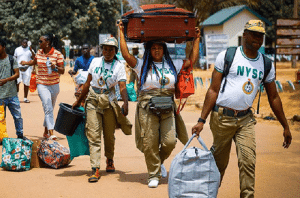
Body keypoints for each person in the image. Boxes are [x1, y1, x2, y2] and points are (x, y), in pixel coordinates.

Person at [191, 20, 292, 198]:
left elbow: (274, 97)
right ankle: (208, 194)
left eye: (261, 35)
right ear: (244, 34)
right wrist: (201, 120)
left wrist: (285, 126)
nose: (258, 39)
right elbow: (213, 90)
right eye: (254, 34)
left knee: (248, 161)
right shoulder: (228, 55)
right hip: (222, 118)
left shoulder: (266, 64)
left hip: (245, 119)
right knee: (219, 164)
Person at [119, 21, 200, 188]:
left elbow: (192, 60)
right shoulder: (141, 65)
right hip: (147, 107)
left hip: (168, 106)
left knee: (170, 141)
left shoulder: (174, 65)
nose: (157, 50)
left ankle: (158, 161)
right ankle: (153, 174)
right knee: (150, 142)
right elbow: (126, 55)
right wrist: (120, 31)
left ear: (164, 50)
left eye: (160, 48)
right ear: (149, 50)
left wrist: (197, 39)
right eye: (153, 48)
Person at [72, 37, 131, 183]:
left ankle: (109, 159)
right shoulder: (95, 61)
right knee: (93, 134)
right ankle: (95, 168)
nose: (107, 52)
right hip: (93, 99)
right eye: (105, 49)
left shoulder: (119, 66)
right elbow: (87, 83)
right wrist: (79, 100)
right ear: (101, 49)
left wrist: (125, 103)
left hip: (109, 102)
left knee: (109, 135)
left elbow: (122, 86)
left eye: (111, 49)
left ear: (115, 51)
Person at [21, 33, 65, 140]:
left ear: (47, 43)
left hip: (54, 85)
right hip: (41, 84)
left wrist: (55, 67)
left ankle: (46, 131)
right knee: (48, 106)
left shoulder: (57, 54)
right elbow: (34, 62)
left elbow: (62, 70)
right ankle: (51, 132)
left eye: (41, 41)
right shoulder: (39, 53)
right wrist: (25, 63)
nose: (39, 43)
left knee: (49, 107)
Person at [0, 39, 26, 139]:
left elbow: (17, 74)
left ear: (3, 47)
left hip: (12, 95)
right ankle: (2, 137)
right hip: (0, 96)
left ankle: (20, 135)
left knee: (18, 116)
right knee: (1, 118)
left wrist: (7, 80)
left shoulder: (11, 59)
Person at [14, 38, 35, 103]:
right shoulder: (17, 49)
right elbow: (15, 58)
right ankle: (16, 97)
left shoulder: (30, 50)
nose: (24, 44)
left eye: (26, 43)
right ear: (21, 43)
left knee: (26, 83)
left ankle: (25, 98)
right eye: (23, 43)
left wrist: (31, 49)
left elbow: (34, 58)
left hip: (27, 68)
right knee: (17, 82)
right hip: (19, 68)